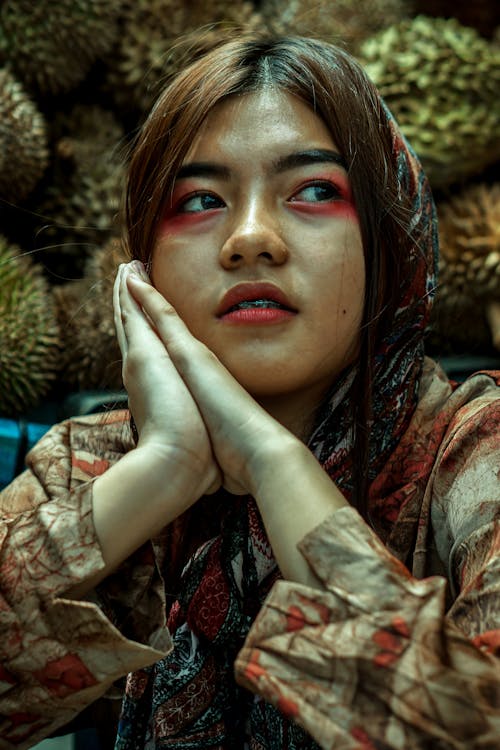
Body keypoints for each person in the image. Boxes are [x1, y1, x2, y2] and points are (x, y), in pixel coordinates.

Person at [0, 33, 499, 750]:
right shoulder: (100, 460)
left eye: (316, 190)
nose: (251, 237)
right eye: (200, 199)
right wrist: (165, 466)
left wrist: (272, 460)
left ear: (390, 246)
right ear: (144, 265)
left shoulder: (475, 454)